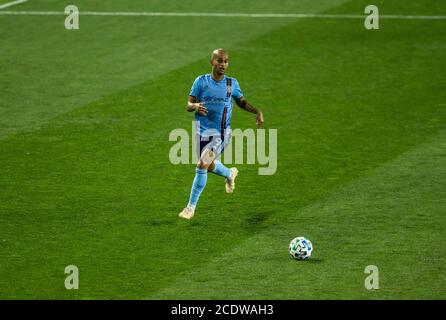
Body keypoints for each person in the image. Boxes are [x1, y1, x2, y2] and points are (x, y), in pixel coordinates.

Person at [179, 48, 264, 220]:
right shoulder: (201, 82)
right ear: (212, 62)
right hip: (201, 132)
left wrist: (256, 111)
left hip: (221, 134)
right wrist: (195, 106)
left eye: (226, 61)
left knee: (202, 164)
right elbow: (189, 104)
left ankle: (190, 208)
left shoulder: (231, 84)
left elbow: (241, 102)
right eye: (219, 60)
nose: (223, 64)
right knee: (208, 166)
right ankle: (229, 174)